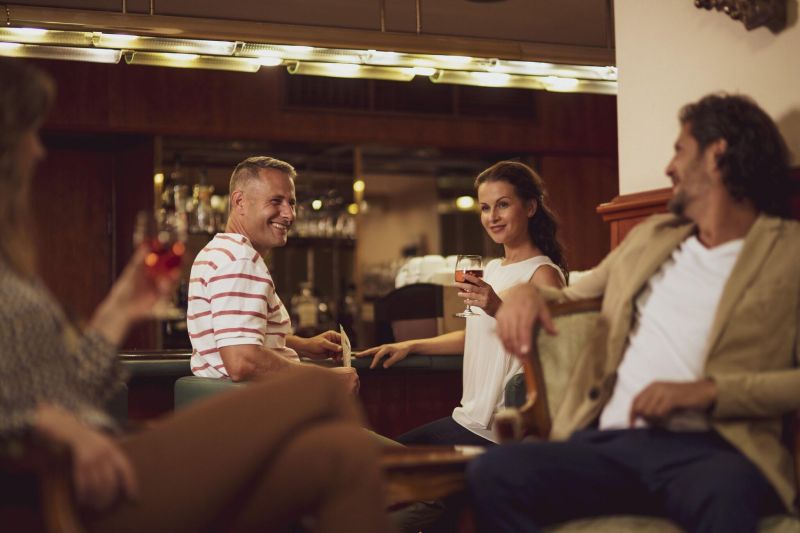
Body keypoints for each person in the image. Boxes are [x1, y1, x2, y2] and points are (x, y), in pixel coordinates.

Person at [0, 58, 392, 533]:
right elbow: (241, 360)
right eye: (29, 133)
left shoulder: (14, 267)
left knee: (344, 455)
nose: (38, 150)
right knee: (323, 388)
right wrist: (62, 431)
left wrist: (120, 309)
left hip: (101, 447)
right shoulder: (238, 258)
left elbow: (70, 385)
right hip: (69, 477)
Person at [468, 93, 799, 533]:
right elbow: (572, 296)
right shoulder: (653, 237)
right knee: (494, 472)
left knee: (724, 493)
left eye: (680, 150)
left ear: (716, 155)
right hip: (611, 445)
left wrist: (709, 392)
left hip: (712, 450)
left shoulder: (789, 252)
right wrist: (529, 295)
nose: (669, 168)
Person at [358, 161, 568, 445]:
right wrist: (409, 346)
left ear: (530, 207)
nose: (493, 217)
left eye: (503, 205)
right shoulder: (493, 268)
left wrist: (498, 308)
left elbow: (556, 348)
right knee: (379, 451)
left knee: (382, 455)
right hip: (468, 418)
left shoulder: (543, 273)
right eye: (485, 208)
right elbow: (474, 336)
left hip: (500, 429)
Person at [187, 156, 357, 391]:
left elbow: (237, 337)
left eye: (291, 203)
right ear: (240, 202)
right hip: (255, 408)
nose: (289, 215)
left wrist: (302, 345)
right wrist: (324, 378)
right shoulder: (240, 260)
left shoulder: (217, 252)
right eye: (276, 201)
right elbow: (242, 360)